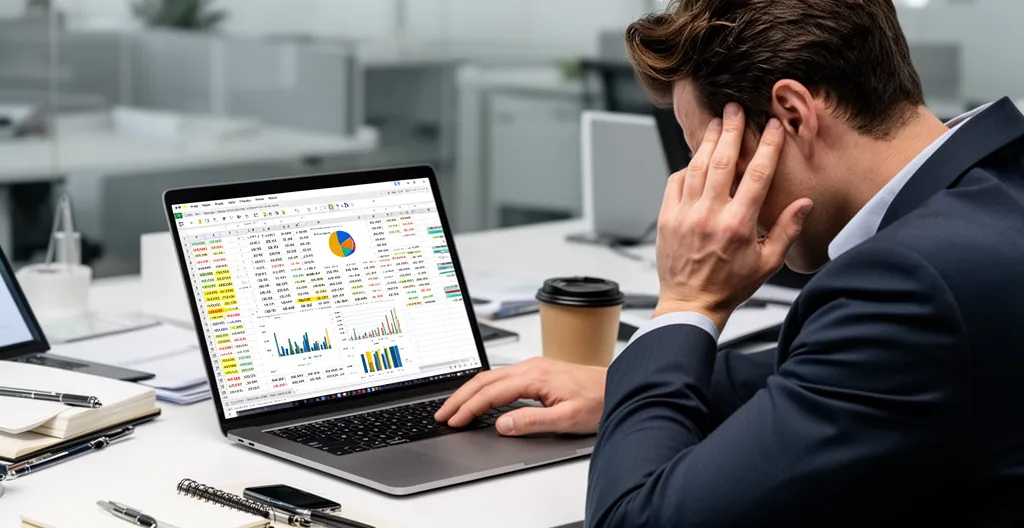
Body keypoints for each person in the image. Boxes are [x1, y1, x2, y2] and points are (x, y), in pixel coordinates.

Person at [436, 0, 1024, 524]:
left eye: (711, 158)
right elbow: (829, 372)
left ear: (792, 114)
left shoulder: (911, 284)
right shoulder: (996, 189)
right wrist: (627, 385)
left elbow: (631, 518)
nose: (708, 192)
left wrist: (686, 302)